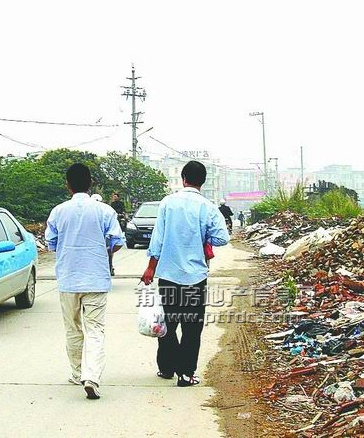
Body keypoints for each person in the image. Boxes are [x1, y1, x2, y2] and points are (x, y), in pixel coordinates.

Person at [140, 160, 230, 387]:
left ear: (183, 179)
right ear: (203, 181)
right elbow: (222, 237)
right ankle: (186, 374)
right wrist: (204, 237)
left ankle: (167, 368)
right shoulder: (208, 207)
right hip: (195, 277)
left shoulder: (167, 203)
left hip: (168, 274)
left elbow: (157, 239)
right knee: (192, 327)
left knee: (167, 324)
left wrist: (151, 267)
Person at [45, 164, 124, 400]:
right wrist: (103, 249)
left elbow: (51, 244)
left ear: (67, 185)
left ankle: (77, 372)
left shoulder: (58, 211)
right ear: (91, 183)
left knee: (73, 328)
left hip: (68, 279)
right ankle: (91, 377)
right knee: (95, 330)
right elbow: (117, 241)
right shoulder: (105, 211)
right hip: (96, 278)